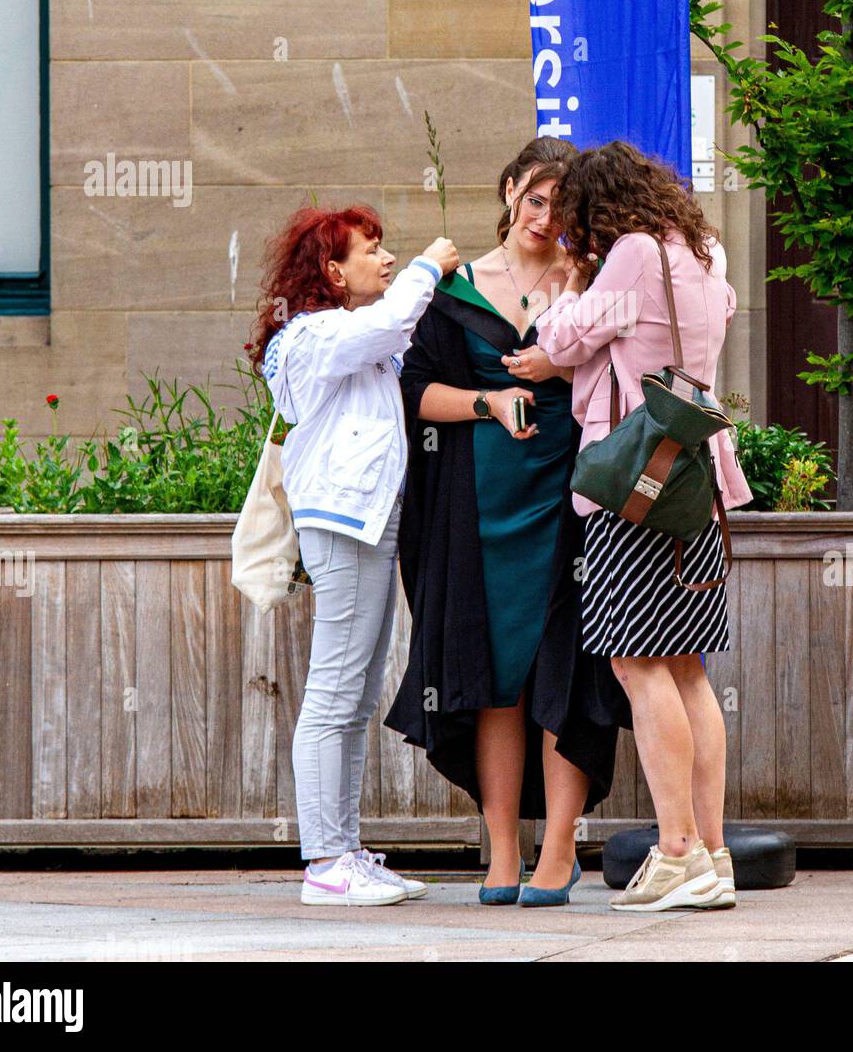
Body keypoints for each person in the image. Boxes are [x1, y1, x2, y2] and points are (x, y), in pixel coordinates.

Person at [385, 138, 627, 907]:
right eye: (534, 198)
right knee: (493, 681)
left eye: (560, 205)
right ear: (509, 192)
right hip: (476, 510)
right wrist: (488, 401)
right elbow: (414, 393)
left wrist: (560, 366)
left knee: (563, 674)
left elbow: (627, 369)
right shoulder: (455, 290)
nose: (545, 216)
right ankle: (499, 849)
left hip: (571, 502)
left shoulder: (589, 281)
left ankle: (558, 848)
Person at [533, 141, 752, 913]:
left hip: (634, 484)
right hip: (699, 479)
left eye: (574, 222)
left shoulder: (627, 254)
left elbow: (558, 345)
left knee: (637, 663)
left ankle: (677, 851)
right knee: (686, 664)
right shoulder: (706, 250)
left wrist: (565, 288)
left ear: (598, 209)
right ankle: (714, 853)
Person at [250, 204, 458, 906]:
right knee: (335, 692)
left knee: (358, 691)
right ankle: (324, 862)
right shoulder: (312, 334)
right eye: (372, 250)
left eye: (388, 249)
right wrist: (432, 265)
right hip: (341, 524)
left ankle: (345, 851)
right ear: (333, 272)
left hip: (365, 521)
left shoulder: (343, 334)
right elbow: (389, 322)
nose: (388, 258)